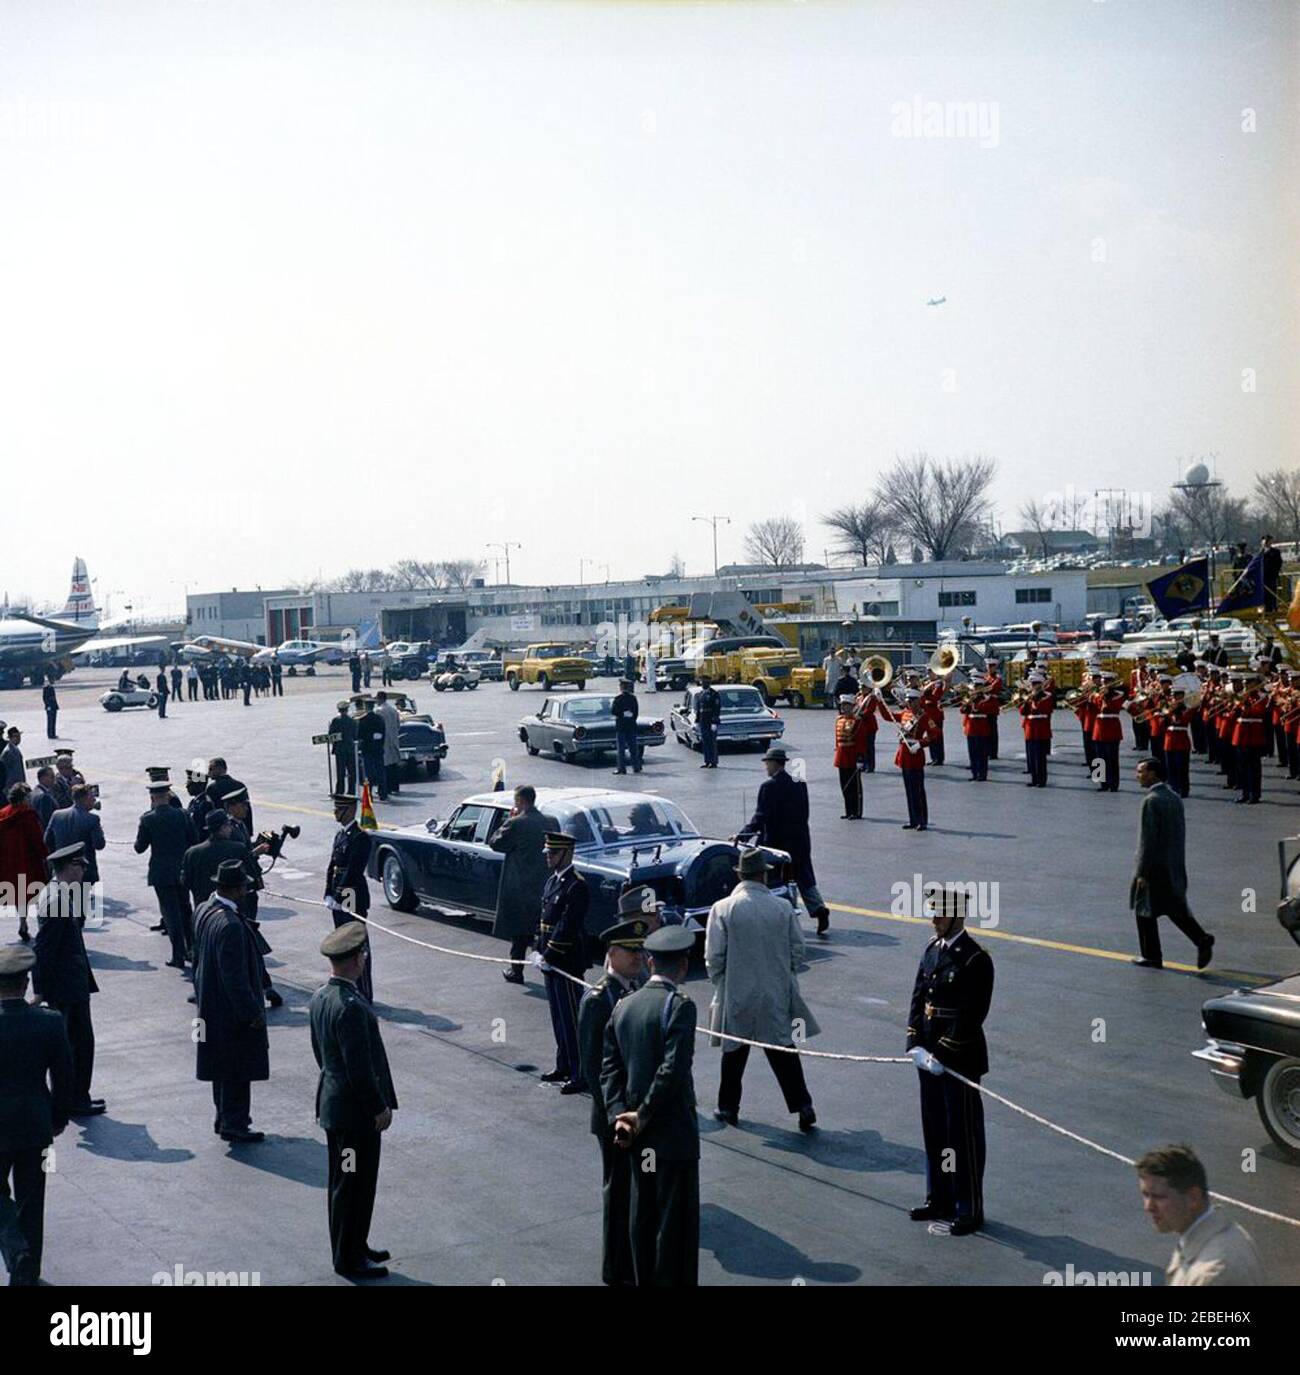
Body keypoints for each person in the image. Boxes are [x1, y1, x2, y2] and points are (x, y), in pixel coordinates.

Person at [601, 924, 699, 1286]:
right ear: (683, 966)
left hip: (637, 1142)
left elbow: (608, 1068)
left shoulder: (624, 1006)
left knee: (642, 1219)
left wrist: (620, 1118)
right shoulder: (680, 1007)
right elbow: (673, 1071)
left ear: (650, 961)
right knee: (675, 1230)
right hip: (673, 1139)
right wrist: (642, 1114)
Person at [707, 847, 818, 1131]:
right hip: (775, 991)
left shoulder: (723, 909)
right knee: (783, 1050)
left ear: (740, 875)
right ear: (763, 876)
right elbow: (798, 950)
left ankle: (728, 1108)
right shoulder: (782, 908)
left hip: (737, 991)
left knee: (734, 1054)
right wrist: (783, 972)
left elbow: (714, 957)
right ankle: (803, 1105)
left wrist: (723, 981)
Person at [310, 920, 397, 1281]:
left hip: (335, 1108)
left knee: (350, 1183)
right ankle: (348, 1257)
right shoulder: (351, 1007)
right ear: (357, 960)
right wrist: (378, 1107)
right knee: (352, 1185)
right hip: (354, 1117)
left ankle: (356, 1244)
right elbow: (359, 1069)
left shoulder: (322, 998)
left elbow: (322, 1055)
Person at [907, 888, 994, 1236]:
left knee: (962, 1136)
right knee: (936, 1131)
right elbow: (917, 998)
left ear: (958, 916)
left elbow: (972, 1016)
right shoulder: (931, 950)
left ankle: (968, 1206)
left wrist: (941, 1053)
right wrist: (914, 1042)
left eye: (940, 914)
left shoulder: (975, 959)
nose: (934, 919)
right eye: (933, 912)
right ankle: (939, 1197)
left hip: (958, 1059)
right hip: (929, 1058)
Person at [577, 903, 648, 1286]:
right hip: (614, 1118)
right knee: (618, 1194)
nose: (638, 957)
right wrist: (617, 1116)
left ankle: (632, 1262)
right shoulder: (598, 999)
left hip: (635, 1113)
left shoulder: (635, 990)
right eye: (631, 951)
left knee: (635, 1192)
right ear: (611, 954)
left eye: (640, 951)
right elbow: (592, 1068)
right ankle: (616, 1270)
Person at [0, 944, 73, 1286]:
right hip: (35, 1125)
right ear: (26, 981)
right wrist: (57, 1118)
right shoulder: (50, 1022)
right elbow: (63, 1076)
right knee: (32, 1198)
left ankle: (16, 1251)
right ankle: (28, 1272)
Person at [193, 859, 269, 1143]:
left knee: (220, 1067)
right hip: (230, 1012)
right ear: (236, 889)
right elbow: (234, 977)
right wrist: (252, 1012)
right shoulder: (231, 926)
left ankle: (222, 1117)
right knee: (238, 1068)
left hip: (210, 1004)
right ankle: (235, 1123)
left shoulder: (204, 909)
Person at [32, 843, 104, 1117]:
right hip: (65, 986)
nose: (85, 869)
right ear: (70, 868)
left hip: (70, 983)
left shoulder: (60, 894)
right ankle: (72, 1099)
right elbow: (44, 949)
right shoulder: (58, 901)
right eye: (81, 865)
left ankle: (75, 1096)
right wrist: (40, 990)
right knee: (77, 1045)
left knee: (76, 1043)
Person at [1135, 1144, 1266, 1287]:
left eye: (1159, 1197)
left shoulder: (1211, 1275)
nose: (1148, 1207)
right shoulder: (1231, 1234)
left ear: (1193, 1198)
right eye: (1146, 1195)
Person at [735, 747, 830, 937]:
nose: (766, 767)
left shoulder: (768, 787)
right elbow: (805, 812)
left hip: (776, 843)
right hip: (800, 839)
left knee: (778, 881)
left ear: (775, 763)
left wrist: (743, 835)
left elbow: (760, 817)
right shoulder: (799, 783)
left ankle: (786, 917)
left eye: (767, 763)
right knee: (803, 877)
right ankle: (819, 908)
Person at [1130, 757, 1214, 971]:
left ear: (1153, 774)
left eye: (1141, 771)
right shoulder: (1174, 797)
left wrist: (1141, 872)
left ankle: (1151, 956)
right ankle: (1201, 938)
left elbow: (1147, 840)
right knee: (1174, 908)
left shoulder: (1151, 801)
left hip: (1154, 867)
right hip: (1172, 863)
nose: (1137, 776)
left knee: (1144, 910)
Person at [489, 785, 557, 986]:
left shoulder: (516, 823)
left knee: (518, 933)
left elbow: (495, 843)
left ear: (520, 801)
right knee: (543, 929)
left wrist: (508, 820)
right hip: (544, 885)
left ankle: (516, 970)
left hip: (520, 886)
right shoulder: (550, 821)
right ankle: (550, 968)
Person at [538, 831, 590, 1092]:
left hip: (567, 962)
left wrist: (548, 954)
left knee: (572, 1019)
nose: (549, 856)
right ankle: (564, 1064)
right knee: (558, 1018)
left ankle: (580, 1072)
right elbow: (545, 922)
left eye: (553, 853)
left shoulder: (576, 885)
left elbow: (567, 926)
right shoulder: (552, 882)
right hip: (551, 962)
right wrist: (539, 950)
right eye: (547, 852)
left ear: (567, 853)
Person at [134, 779, 197, 971]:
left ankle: (177, 955)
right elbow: (193, 840)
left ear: (152, 797)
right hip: (181, 870)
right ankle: (192, 950)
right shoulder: (183, 815)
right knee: (186, 910)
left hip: (161, 873)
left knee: (170, 914)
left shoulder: (148, 819)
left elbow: (139, 848)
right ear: (169, 795)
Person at [324, 792, 374, 1001]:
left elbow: (353, 870)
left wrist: (338, 894)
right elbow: (333, 866)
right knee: (341, 940)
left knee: (354, 941)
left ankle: (363, 990)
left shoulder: (360, 837)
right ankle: (348, 985)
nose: (335, 812)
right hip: (339, 892)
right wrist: (328, 891)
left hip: (351, 893)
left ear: (350, 810)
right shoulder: (341, 835)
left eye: (339, 809)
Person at [0, 782, 48, 943]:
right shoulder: (27, 815)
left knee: (19, 895)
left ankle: (23, 923)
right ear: (24, 798)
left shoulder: (3, 814)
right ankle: (42, 925)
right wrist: (45, 854)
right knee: (40, 894)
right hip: (28, 861)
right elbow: (36, 839)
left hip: (8, 862)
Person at [43, 783, 105, 896]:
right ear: (85, 799)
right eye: (92, 797)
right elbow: (99, 845)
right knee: (80, 906)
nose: (94, 799)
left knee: (64, 904)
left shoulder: (57, 815)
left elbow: (47, 840)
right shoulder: (92, 819)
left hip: (61, 869)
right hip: (83, 871)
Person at [832, 695, 868, 818]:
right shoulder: (839, 719)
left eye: (846, 705)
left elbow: (861, 741)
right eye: (842, 705)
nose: (843, 707)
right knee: (844, 786)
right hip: (841, 757)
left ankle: (856, 811)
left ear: (852, 706)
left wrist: (860, 758)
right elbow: (837, 740)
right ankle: (848, 811)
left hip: (852, 756)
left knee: (854, 786)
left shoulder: (857, 721)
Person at [1020, 673, 1054, 788]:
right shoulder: (1029, 696)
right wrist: (1025, 701)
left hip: (1040, 729)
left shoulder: (1047, 696)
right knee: (1032, 755)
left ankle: (1042, 780)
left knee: (1040, 757)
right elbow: (1022, 712)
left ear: (1040, 684)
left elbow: (1046, 709)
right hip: (1030, 729)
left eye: (1035, 684)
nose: (1033, 686)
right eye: (1032, 684)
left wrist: (1035, 700)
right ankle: (1034, 779)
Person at [356, 699, 388, 800]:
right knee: (380, 772)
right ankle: (383, 794)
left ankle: (369, 795)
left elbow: (359, 736)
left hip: (367, 750)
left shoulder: (362, 720)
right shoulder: (379, 719)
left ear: (366, 707)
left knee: (368, 774)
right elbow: (383, 734)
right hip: (378, 749)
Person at [611, 678, 642, 775]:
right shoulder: (633, 698)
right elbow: (636, 712)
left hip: (621, 727)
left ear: (621, 687)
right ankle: (636, 767)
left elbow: (613, 712)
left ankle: (621, 768)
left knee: (621, 749)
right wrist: (630, 717)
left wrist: (622, 715)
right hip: (631, 726)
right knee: (633, 748)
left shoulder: (618, 699)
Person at [375, 691, 402, 795]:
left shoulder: (379, 711)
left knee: (384, 766)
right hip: (394, 740)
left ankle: (387, 787)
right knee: (393, 764)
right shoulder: (393, 710)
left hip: (384, 741)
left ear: (380, 699)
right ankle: (395, 786)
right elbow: (398, 725)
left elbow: (378, 727)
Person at [694, 677, 721, 768]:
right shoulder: (700, 694)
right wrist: (697, 721)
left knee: (712, 741)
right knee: (705, 741)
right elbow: (699, 709)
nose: (703, 684)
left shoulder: (714, 694)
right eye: (702, 683)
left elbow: (716, 709)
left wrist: (714, 722)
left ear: (709, 683)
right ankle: (707, 761)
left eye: (705, 683)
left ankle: (713, 761)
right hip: (703, 721)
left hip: (710, 721)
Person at [30, 767, 58, 831]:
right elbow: (48, 820)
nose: (54, 779)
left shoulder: (33, 793)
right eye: (52, 777)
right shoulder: (44, 796)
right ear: (42, 779)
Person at [1260, 534, 1282, 613]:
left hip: (1272, 576)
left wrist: (1275, 573)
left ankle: (1274, 608)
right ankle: (1267, 609)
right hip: (1263, 577)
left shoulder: (1275, 552)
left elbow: (1279, 563)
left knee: (1272, 593)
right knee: (1265, 594)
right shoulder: (1261, 552)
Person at [0, 726, 24, 792]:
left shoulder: (14, 748)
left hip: (17, 784)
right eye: (15, 736)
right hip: (12, 786)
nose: (18, 738)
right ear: (10, 738)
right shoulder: (8, 752)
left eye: (19, 736)